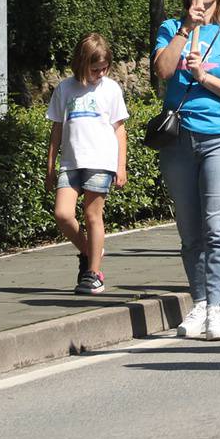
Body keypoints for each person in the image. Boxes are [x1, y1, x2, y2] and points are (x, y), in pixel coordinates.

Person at [152, 0, 220, 343]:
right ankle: (199, 301)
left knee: (218, 228)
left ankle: (216, 308)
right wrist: (186, 30)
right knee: (190, 231)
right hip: (178, 139)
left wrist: (206, 77)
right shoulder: (171, 29)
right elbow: (162, 70)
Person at [46, 33, 128, 295]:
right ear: (81, 64)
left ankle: (93, 273)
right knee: (63, 214)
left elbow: (119, 130)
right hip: (71, 162)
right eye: (95, 69)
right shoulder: (65, 89)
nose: (100, 73)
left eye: (105, 68)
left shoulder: (111, 89)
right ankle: (90, 249)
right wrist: (50, 167)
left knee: (93, 215)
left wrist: (121, 165)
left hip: (100, 161)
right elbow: (57, 130)